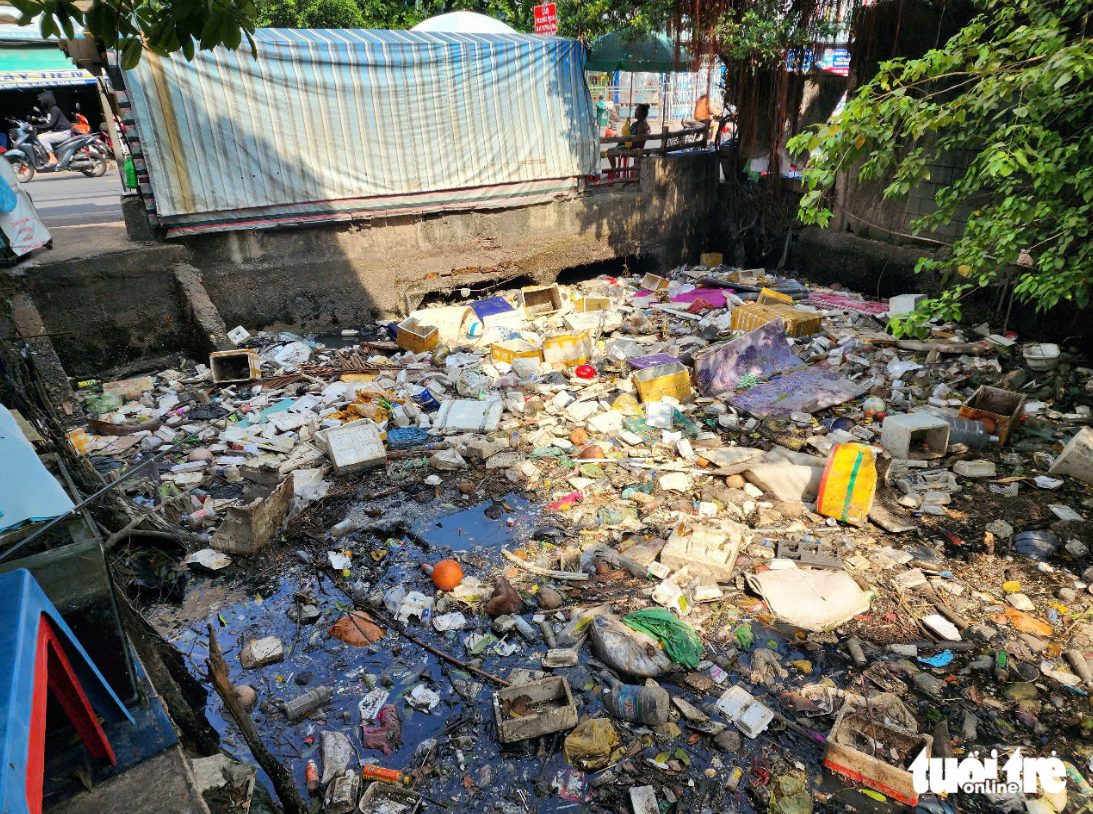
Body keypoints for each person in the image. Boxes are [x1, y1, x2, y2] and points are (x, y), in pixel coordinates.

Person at [34, 91, 72, 168]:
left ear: (46, 101)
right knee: (41, 136)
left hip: (64, 133)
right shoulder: (52, 109)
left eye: (42, 101)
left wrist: (36, 127)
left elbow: (51, 125)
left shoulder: (54, 109)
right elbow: (51, 125)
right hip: (61, 131)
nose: (41, 103)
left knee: (41, 137)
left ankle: (53, 158)